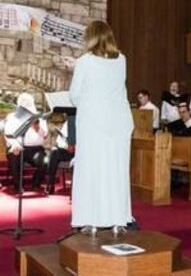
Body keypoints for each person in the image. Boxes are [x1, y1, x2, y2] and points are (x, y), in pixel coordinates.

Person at [69, 20, 134, 232]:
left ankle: (91, 221)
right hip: (118, 122)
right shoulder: (121, 59)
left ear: (91, 37)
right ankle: (118, 220)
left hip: (93, 123)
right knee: (116, 171)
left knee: (91, 171)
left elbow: (75, 95)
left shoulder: (85, 61)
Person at [4, 93, 48, 192]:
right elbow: (8, 134)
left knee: (44, 161)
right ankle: (18, 186)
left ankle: (36, 184)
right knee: (13, 156)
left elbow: (45, 135)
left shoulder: (39, 117)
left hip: (35, 149)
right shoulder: (12, 116)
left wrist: (37, 127)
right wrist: (14, 145)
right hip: (18, 147)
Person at [45, 119, 75, 195]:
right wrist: (66, 147)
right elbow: (59, 140)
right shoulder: (68, 122)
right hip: (69, 150)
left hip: (81, 152)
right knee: (54, 153)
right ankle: (50, 183)